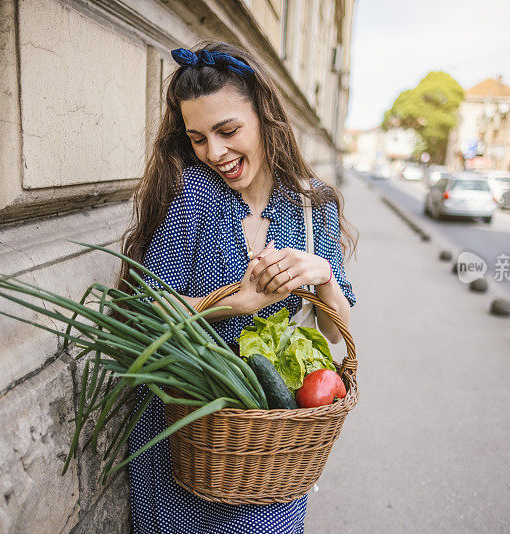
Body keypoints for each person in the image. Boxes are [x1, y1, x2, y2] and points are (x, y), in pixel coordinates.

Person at [118, 41, 357, 534]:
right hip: (187, 432)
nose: (216, 153)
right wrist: (236, 303)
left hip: (272, 445)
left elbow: (337, 335)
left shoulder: (314, 207)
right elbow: (146, 310)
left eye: (228, 131)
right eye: (199, 138)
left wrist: (323, 276)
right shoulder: (194, 195)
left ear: (266, 117)